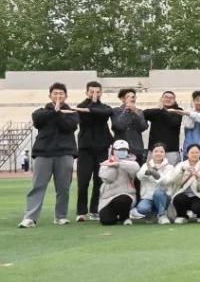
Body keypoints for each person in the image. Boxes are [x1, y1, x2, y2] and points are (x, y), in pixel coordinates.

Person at [19, 83, 80, 228]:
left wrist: (59, 113)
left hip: (65, 153)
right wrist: (55, 111)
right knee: (38, 186)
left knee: (63, 187)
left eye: (61, 93)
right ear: (50, 95)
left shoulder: (72, 113)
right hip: (43, 153)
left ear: (66, 96)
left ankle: (60, 216)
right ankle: (30, 218)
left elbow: (69, 127)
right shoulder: (41, 111)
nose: (58, 96)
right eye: (55, 93)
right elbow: (38, 121)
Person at [74, 80, 113, 222]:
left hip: (102, 148)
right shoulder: (80, 107)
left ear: (101, 93)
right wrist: (91, 105)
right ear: (86, 92)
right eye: (92, 91)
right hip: (85, 149)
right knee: (83, 180)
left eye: (97, 91)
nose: (95, 94)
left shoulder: (104, 107)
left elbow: (106, 113)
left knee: (99, 180)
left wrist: (93, 107)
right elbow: (85, 118)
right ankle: (81, 211)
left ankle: (94, 210)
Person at [95, 140, 140, 226]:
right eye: (119, 150)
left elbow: (135, 170)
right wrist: (112, 166)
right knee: (107, 221)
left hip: (126, 194)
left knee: (122, 200)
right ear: (113, 151)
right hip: (108, 197)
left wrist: (119, 164)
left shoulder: (132, 163)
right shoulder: (106, 163)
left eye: (124, 150)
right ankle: (115, 215)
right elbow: (108, 179)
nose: (122, 152)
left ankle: (125, 217)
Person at [168, 144, 200, 224]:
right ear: (187, 154)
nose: (194, 154)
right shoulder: (180, 165)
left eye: (197, 152)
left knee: (198, 207)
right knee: (178, 199)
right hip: (183, 194)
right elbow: (174, 180)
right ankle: (182, 216)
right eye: (192, 152)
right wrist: (182, 170)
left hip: (197, 195)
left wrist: (198, 177)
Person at [131, 142, 173, 224]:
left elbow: (168, 181)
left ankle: (162, 215)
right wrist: (146, 172)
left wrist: (156, 175)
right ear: (151, 153)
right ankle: (152, 214)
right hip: (148, 197)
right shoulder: (146, 165)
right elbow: (139, 176)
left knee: (158, 193)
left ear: (165, 154)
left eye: (161, 152)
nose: (158, 154)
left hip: (163, 197)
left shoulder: (169, 167)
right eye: (156, 151)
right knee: (142, 208)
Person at [143, 91, 184, 164]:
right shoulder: (157, 111)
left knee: (171, 170)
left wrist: (162, 109)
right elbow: (144, 113)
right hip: (154, 150)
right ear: (161, 99)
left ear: (175, 100)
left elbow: (174, 122)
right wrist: (161, 109)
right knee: (151, 170)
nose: (168, 99)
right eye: (166, 97)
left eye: (171, 98)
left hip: (171, 151)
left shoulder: (178, 111)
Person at [111, 88, 149, 163]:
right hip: (120, 148)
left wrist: (135, 112)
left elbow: (144, 127)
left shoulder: (139, 112)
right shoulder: (116, 111)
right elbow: (118, 126)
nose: (132, 99)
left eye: (133, 97)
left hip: (136, 148)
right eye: (128, 96)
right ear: (122, 99)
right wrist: (126, 111)